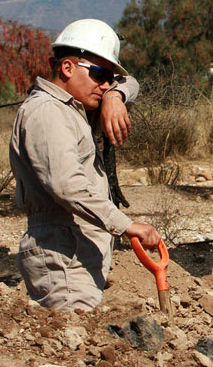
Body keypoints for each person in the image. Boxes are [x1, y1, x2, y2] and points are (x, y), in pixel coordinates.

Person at [9, 18, 161, 311]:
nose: (105, 85)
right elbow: (67, 186)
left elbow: (130, 82)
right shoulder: (47, 112)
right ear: (67, 68)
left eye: (109, 78)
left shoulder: (73, 109)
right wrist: (125, 225)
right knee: (71, 342)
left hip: (76, 250)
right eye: (100, 75)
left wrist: (115, 97)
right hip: (62, 253)